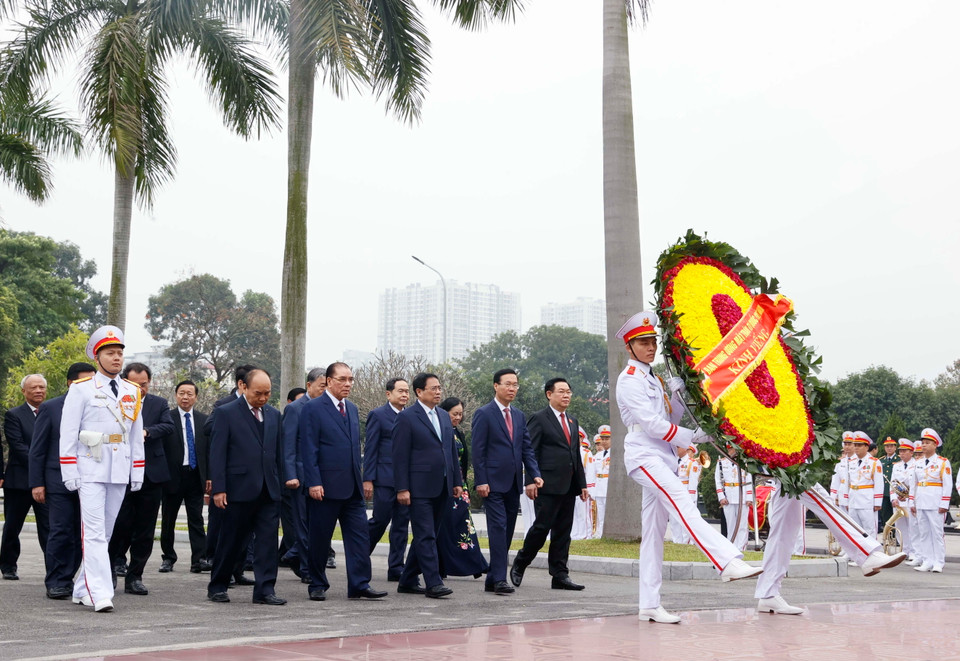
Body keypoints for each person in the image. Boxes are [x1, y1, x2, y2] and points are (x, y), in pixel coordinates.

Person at [615, 311, 761, 624]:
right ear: (629, 347)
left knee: (653, 535)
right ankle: (726, 561)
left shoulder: (652, 378)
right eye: (642, 343)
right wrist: (693, 437)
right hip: (644, 454)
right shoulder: (629, 380)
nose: (650, 347)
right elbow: (652, 425)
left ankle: (649, 604)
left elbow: (669, 419)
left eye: (652, 341)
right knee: (682, 503)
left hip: (663, 455)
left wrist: (677, 397)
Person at [59, 325, 145, 612]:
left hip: (119, 467)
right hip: (90, 467)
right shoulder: (81, 389)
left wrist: (137, 470)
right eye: (110, 353)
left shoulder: (132, 390)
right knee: (94, 532)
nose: (116, 358)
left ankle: (82, 588)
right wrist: (69, 470)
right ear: (97, 358)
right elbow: (68, 433)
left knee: (105, 533)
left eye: (119, 353)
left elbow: (135, 435)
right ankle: (101, 593)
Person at [299, 362, 386, 602]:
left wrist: (364, 479)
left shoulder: (353, 409)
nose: (348, 384)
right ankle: (317, 583)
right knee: (320, 539)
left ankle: (359, 584)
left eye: (350, 379)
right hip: (324, 487)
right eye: (342, 379)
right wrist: (313, 482)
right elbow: (309, 448)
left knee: (359, 538)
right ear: (329, 381)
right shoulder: (313, 408)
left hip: (352, 487)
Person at [206, 369, 288, 605]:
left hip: (268, 491)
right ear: (243, 387)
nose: (263, 398)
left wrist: (281, 485)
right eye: (258, 393)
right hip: (237, 490)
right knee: (230, 541)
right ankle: (218, 585)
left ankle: (265, 590)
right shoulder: (226, 413)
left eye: (267, 393)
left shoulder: (274, 415)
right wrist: (219, 488)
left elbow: (278, 454)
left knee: (267, 543)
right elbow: (218, 453)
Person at [510, 378, 588, 591]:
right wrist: (530, 481)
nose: (566, 395)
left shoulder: (572, 421)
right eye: (561, 391)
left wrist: (582, 484)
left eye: (568, 392)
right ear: (549, 394)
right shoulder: (539, 418)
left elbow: (575, 454)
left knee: (563, 532)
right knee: (541, 528)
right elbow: (530, 451)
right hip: (546, 484)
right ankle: (521, 562)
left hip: (569, 485)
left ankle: (560, 575)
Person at [471, 368, 542, 596]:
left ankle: (492, 578)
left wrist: (534, 473)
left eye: (515, 385)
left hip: (513, 482)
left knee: (508, 529)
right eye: (508, 384)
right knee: (498, 528)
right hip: (491, 483)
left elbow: (526, 448)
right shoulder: (484, 413)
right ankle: (500, 579)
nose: (512, 388)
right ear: (496, 386)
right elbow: (478, 451)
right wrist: (481, 480)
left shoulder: (519, 415)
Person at [392, 373, 462, 598]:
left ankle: (407, 580)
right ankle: (434, 583)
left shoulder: (443, 415)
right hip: (418, 487)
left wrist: (457, 481)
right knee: (425, 535)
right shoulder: (407, 417)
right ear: (419, 392)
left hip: (443, 484)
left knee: (428, 534)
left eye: (439, 387)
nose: (438, 392)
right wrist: (402, 488)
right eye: (433, 388)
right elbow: (399, 456)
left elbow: (450, 451)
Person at [29, 362, 95, 598]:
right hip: (57, 481)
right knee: (61, 530)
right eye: (84, 381)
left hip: (90, 480)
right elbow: (37, 449)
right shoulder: (51, 407)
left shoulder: (97, 407)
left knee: (82, 533)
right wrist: (37, 483)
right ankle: (57, 581)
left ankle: (74, 577)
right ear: (70, 383)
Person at [110, 363, 174, 596]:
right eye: (133, 384)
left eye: (144, 385)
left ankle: (135, 576)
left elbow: (168, 426)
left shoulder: (159, 403)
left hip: (151, 475)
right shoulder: (114, 401)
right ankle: (110, 570)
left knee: (145, 530)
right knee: (119, 525)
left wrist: (146, 432)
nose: (139, 389)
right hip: (121, 474)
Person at [278, 367, 326, 585]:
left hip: (322, 476)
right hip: (300, 477)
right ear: (309, 385)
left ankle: (293, 553)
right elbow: (288, 444)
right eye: (322, 386)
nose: (325, 390)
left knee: (318, 524)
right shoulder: (295, 409)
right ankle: (306, 568)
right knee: (303, 525)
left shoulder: (327, 407)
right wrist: (290, 474)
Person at [1, 373, 50, 580]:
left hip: (46, 482)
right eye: (33, 388)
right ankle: (8, 565)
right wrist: (43, 463)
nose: (38, 391)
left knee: (49, 527)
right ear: (24, 391)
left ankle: (54, 569)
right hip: (19, 481)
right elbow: (18, 446)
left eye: (41, 387)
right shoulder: (14, 415)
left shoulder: (53, 411)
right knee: (13, 526)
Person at [159, 380, 210, 573]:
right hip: (172, 476)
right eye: (181, 393)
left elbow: (208, 451)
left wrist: (209, 476)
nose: (185, 397)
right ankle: (168, 558)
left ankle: (199, 559)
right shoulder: (167, 419)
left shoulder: (204, 420)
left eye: (189, 394)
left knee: (196, 519)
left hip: (195, 475)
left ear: (196, 397)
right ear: (176, 395)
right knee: (168, 519)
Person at [363, 378, 411, 582]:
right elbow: (371, 449)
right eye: (400, 391)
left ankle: (396, 567)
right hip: (384, 478)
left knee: (401, 525)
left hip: (406, 481)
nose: (405, 395)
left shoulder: (410, 416)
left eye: (407, 391)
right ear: (388, 394)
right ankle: (360, 555)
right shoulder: (378, 415)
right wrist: (368, 479)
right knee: (380, 520)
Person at [436, 397, 488, 578]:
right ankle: (442, 565)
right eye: (454, 414)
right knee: (445, 526)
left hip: (460, 486)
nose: (458, 417)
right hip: (444, 485)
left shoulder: (458, 432)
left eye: (460, 414)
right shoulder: (439, 431)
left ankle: (475, 563)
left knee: (465, 524)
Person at [910, 428, 951, 573]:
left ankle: (938, 562)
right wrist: (912, 502)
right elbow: (914, 484)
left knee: (937, 533)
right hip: (921, 501)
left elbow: (947, 484)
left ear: (935, 445)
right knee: (924, 533)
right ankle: (927, 560)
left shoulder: (942, 462)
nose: (924, 445)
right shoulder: (918, 463)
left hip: (935, 502)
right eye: (923, 443)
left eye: (927, 443)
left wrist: (944, 503)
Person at [714, 448, 754, 550]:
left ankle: (741, 547)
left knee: (742, 525)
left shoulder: (744, 462)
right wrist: (721, 497)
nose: (734, 451)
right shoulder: (721, 462)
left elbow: (749, 480)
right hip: (728, 496)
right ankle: (731, 547)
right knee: (730, 524)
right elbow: (718, 480)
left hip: (742, 496)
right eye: (731, 449)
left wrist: (749, 497)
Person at [847, 431, 883, 540]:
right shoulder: (851, 462)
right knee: (854, 529)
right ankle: (856, 549)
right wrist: (847, 499)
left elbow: (879, 483)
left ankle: (871, 549)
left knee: (869, 529)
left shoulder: (874, 462)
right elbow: (848, 482)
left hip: (867, 500)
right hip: (853, 499)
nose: (856, 448)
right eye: (855, 445)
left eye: (859, 445)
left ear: (867, 447)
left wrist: (877, 502)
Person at [890, 439, 916, 564]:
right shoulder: (896, 466)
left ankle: (914, 552)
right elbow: (892, 483)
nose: (902, 453)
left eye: (905, 451)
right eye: (900, 451)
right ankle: (904, 550)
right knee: (900, 526)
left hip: (910, 501)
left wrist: (909, 497)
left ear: (911, 452)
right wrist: (893, 498)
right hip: (899, 501)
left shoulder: (916, 464)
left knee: (913, 527)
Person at [671, 446, 702, 545]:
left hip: (686, 494)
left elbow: (693, 482)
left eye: (678, 447)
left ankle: (686, 542)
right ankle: (677, 541)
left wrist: (691, 499)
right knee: (674, 519)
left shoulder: (692, 463)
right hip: (674, 493)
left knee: (686, 519)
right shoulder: (674, 461)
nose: (676, 449)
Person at [570, 429, 595, 541]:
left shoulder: (586, 453)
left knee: (583, 512)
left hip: (582, 485)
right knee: (573, 512)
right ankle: (574, 534)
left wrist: (589, 488)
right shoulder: (569, 451)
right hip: (571, 485)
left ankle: (585, 534)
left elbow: (590, 471)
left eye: (579, 437)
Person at [592, 426, 611, 537]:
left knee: (609, 513)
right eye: (602, 439)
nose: (604, 441)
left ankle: (607, 533)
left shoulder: (615, 453)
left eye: (607, 439)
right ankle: (600, 533)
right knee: (601, 512)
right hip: (599, 486)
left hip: (608, 485)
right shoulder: (598, 455)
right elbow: (593, 473)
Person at [878, 436, 900, 530]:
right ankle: (888, 534)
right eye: (887, 446)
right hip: (884, 492)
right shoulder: (881, 460)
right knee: (885, 515)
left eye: (891, 446)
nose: (889, 448)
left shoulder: (899, 460)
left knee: (896, 515)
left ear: (895, 447)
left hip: (896, 493)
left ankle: (896, 535)